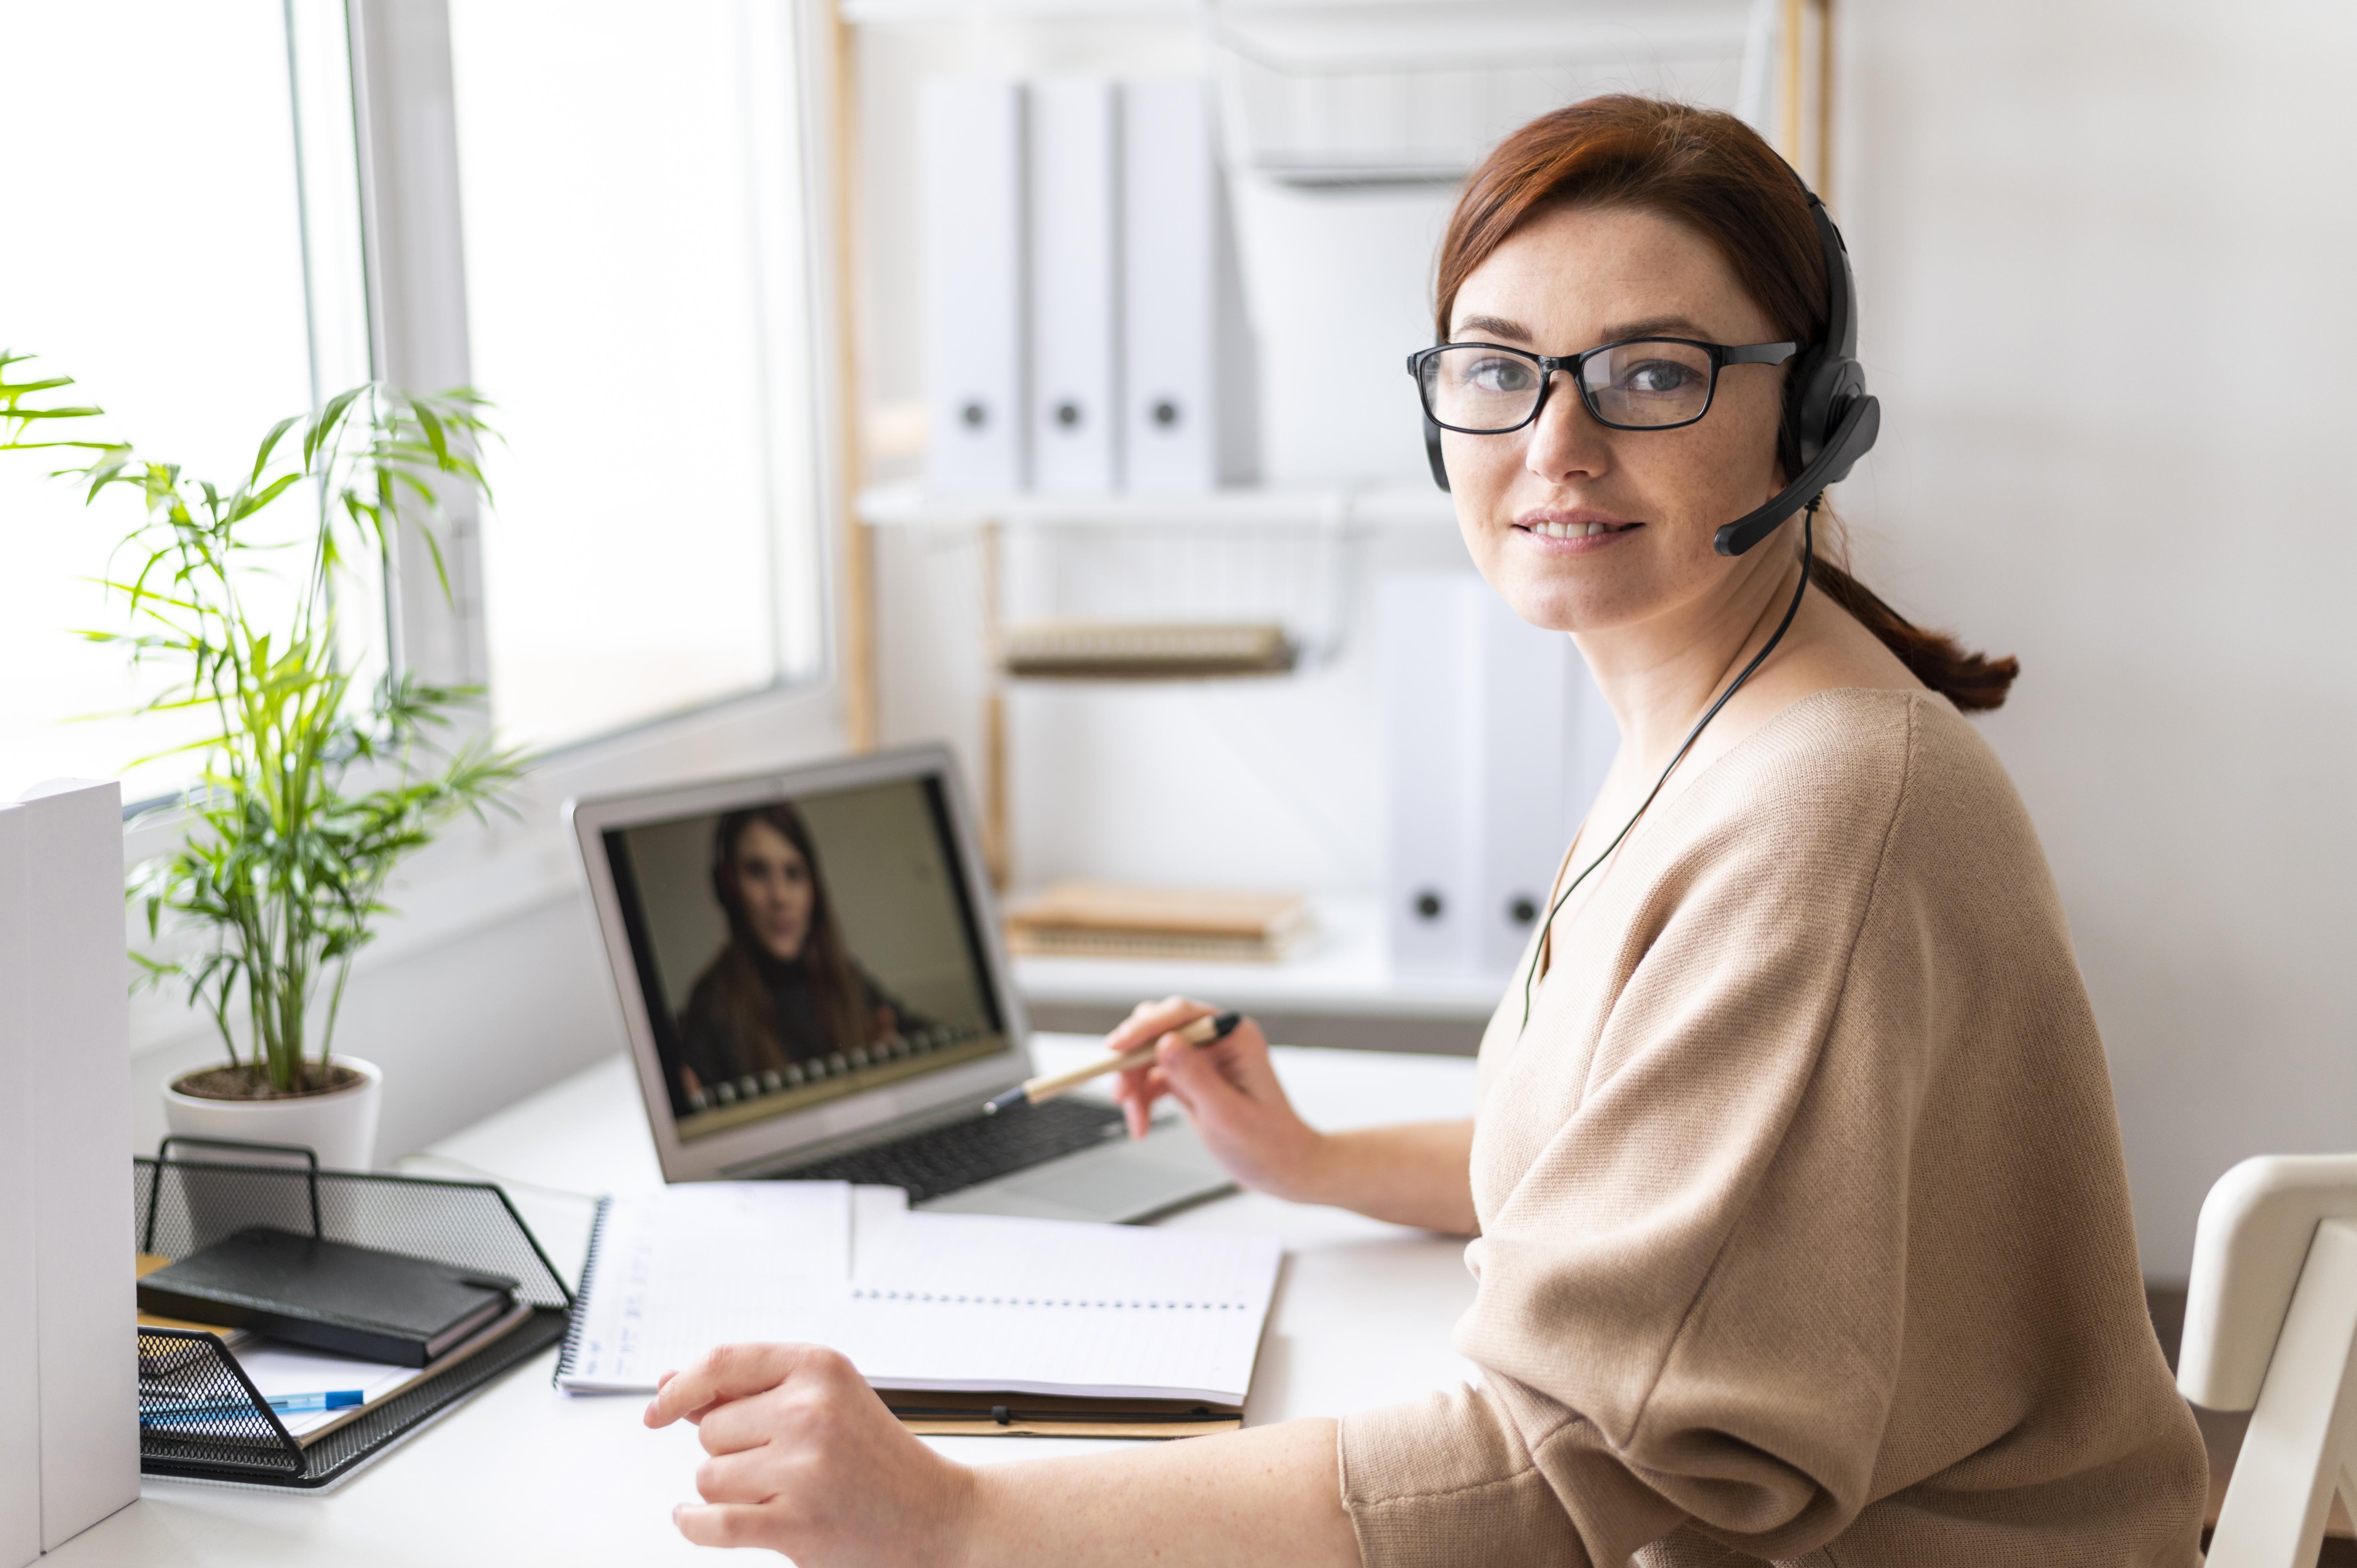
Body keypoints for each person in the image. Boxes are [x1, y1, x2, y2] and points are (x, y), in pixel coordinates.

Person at [641, 96, 2208, 1566]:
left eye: (1652, 373)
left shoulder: (1819, 807)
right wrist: (1310, 1160)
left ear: (1807, 417)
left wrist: (955, 1511)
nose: (1557, 445)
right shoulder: (1722, 723)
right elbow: (1658, 1186)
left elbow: (1553, 1470)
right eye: (1497, 368)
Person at [673, 803, 918, 1105]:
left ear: (813, 888)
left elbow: (929, 1039)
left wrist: (893, 1062)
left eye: (793, 874)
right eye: (758, 872)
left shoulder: (846, 978)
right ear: (729, 886)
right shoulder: (711, 1011)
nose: (780, 897)